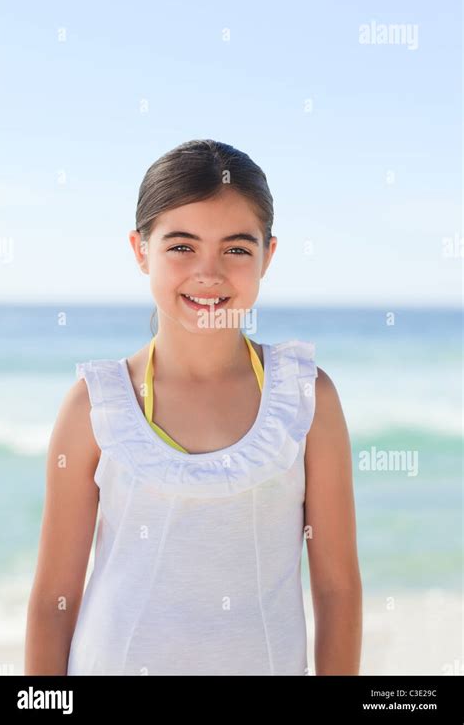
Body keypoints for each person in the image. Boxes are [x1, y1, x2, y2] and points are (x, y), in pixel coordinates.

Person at [25, 139, 362, 676]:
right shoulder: (95, 405)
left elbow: (338, 589)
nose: (209, 272)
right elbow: (52, 603)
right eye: (181, 247)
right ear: (141, 250)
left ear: (267, 256)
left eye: (236, 249)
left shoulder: (307, 398)